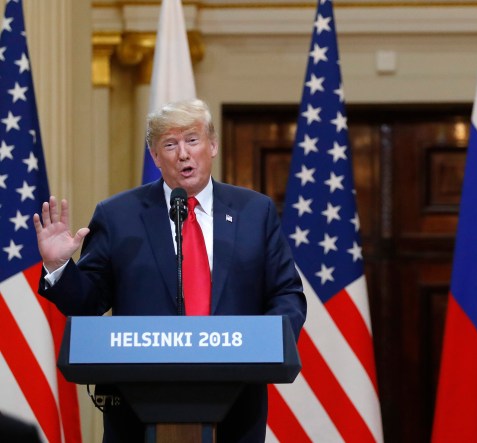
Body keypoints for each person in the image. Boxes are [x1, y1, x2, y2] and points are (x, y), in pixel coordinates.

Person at [33, 99, 307, 442]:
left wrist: (265, 342)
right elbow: (87, 303)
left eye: (192, 140)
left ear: (213, 145)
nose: (183, 154)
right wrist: (59, 266)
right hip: (138, 407)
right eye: (170, 144)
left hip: (237, 404)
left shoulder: (255, 211)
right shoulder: (118, 215)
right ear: (155, 155)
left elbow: (286, 293)